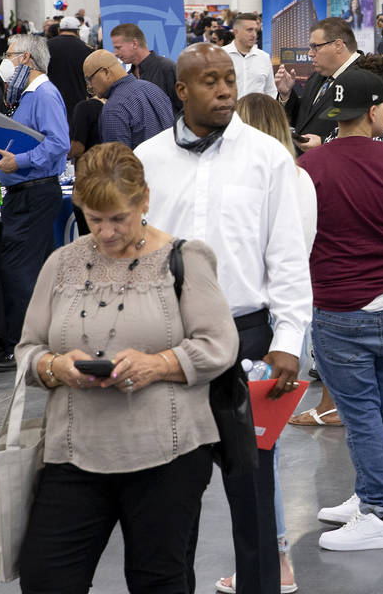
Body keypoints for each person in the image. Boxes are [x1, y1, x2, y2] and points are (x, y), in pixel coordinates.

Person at [16, 142, 238, 594]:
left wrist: (158, 364)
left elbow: (220, 344)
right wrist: (57, 366)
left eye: (118, 218)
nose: (106, 232)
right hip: (74, 453)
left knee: (159, 581)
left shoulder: (184, 260)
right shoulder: (62, 264)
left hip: (167, 455)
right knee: (46, 577)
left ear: (145, 201)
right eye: (93, 219)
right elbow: (27, 349)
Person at [135, 43, 309, 594]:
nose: (225, 90)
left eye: (229, 79)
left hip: (249, 339)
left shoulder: (266, 157)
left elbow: (286, 255)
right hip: (168, 342)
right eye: (209, 81)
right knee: (168, 490)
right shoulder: (147, 160)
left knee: (252, 487)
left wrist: (288, 338)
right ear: (181, 91)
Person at [297, 69, 383, 551]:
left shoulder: (310, 167)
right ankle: (375, 496)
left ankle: (380, 512)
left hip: (338, 308)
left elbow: (296, 241)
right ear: (374, 111)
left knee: (360, 414)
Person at [0, 34, 69, 372]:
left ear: (26, 59)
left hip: (33, 192)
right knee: (35, 270)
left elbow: (58, 143)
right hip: (25, 193)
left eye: (8, 55)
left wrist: (18, 162)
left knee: (18, 270)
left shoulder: (44, 94)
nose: (4, 62)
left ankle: (19, 346)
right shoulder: (26, 96)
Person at [277, 17, 362, 148]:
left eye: (315, 47)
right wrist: (286, 95)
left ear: (338, 45)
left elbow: (369, 133)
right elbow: (304, 118)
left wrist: (323, 142)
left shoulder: (366, 78)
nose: (310, 53)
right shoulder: (318, 75)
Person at [83, 49, 174, 148]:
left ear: (105, 72)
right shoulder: (153, 88)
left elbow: (119, 160)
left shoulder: (113, 109)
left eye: (89, 79)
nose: (90, 86)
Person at [110, 22, 183, 116]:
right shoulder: (128, 77)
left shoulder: (167, 68)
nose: (115, 53)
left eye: (118, 48)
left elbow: (185, 108)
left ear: (135, 43)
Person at [46, 16, 92, 127]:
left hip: (50, 101)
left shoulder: (45, 47)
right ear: (78, 31)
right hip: (77, 104)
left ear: (59, 30)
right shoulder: (87, 49)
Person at [223, 13, 277, 98]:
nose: (254, 34)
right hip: (229, 110)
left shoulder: (264, 57)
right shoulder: (221, 55)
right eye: (249, 30)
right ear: (236, 32)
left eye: (256, 30)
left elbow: (270, 91)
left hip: (258, 111)